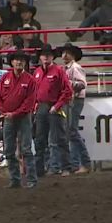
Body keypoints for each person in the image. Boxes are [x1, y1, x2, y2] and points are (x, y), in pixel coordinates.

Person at [0, 50, 37, 189]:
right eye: (16, 60)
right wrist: (3, 111)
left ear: (25, 63)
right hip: (8, 117)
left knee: (26, 149)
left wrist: (13, 113)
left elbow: (29, 102)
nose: (19, 62)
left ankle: (31, 179)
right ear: (12, 62)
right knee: (9, 150)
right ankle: (15, 179)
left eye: (21, 60)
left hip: (23, 117)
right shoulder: (5, 77)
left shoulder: (30, 80)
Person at [33, 44, 73, 177]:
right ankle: (40, 169)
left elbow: (67, 91)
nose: (46, 57)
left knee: (58, 138)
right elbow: (34, 91)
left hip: (54, 107)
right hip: (41, 107)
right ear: (40, 57)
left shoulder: (58, 71)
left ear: (52, 57)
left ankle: (65, 167)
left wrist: (57, 106)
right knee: (40, 140)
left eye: (48, 55)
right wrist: (35, 104)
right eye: (44, 55)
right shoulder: (37, 72)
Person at [58, 43, 91, 174]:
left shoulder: (75, 68)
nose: (64, 55)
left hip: (76, 100)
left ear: (73, 56)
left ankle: (85, 162)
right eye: (63, 53)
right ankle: (77, 163)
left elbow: (82, 84)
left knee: (72, 131)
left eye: (68, 53)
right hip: (72, 99)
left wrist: (67, 83)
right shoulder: (67, 68)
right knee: (71, 131)